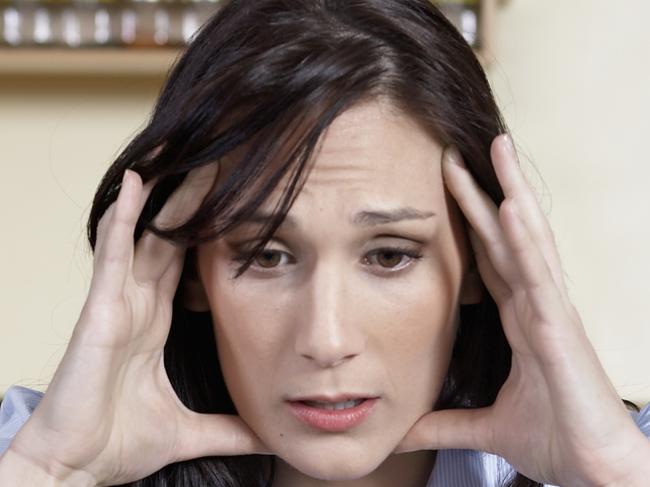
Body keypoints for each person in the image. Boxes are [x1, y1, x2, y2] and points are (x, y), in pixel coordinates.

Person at [0, 1, 649, 486]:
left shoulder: (626, 455)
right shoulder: (32, 447)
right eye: (267, 255)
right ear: (190, 273)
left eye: (389, 254)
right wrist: (54, 467)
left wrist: (609, 469)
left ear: (482, 261)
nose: (328, 337)